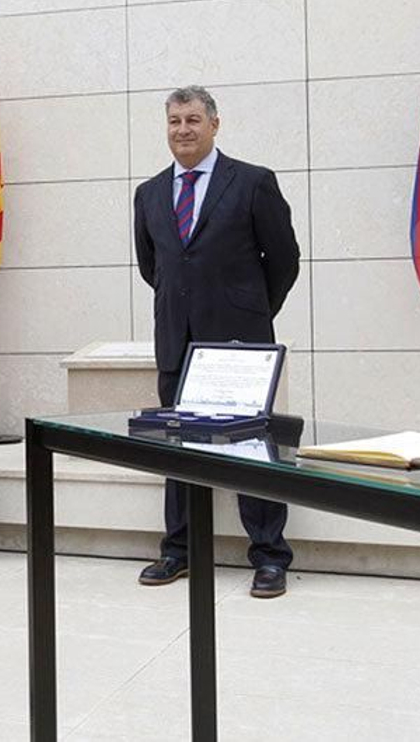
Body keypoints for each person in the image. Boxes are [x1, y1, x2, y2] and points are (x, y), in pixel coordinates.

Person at [132, 85, 301, 598]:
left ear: (214, 124)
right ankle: (178, 550)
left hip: (238, 343)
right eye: (174, 121)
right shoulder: (150, 192)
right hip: (176, 342)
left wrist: (249, 313)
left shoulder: (252, 182)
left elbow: (284, 261)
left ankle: (270, 556)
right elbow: (152, 267)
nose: (183, 129)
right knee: (177, 447)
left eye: (193, 120)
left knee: (251, 446)